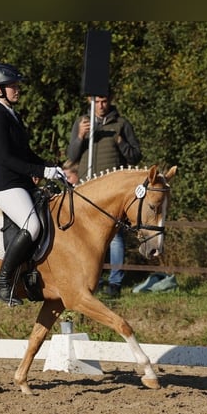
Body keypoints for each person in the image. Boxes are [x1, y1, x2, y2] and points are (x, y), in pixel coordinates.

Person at [0, 63, 66, 306]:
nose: (17, 90)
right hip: (4, 184)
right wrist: (41, 171)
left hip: (18, 181)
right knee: (32, 225)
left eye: (17, 86)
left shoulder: (12, 114)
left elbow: (25, 153)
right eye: (13, 86)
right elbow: (5, 158)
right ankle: (2, 281)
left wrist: (51, 168)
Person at [66, 92, 142, 298]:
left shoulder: (122, 124)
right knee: (84, 237)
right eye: (97, 102)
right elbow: (71, 156)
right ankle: (93, 279)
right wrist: (80, 137)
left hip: (111, 192)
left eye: (104, 101)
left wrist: (120, 141)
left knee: (115, 237)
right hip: (86, 188)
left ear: (110, 101)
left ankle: (115, 283)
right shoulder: (82, 122)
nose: (100, 105)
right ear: (91, 102)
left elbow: (135, 156)